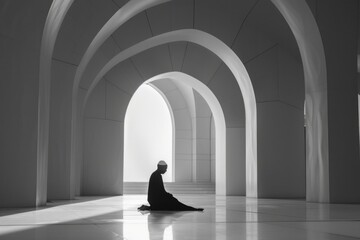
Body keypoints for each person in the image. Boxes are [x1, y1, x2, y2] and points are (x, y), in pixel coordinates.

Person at [138, 160, 203, 211]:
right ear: (161, 167)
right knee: (173, 201)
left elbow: (159, 191)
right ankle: (192, 209)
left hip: (153, 200)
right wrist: (168, 195)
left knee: (173, 201)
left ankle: (192, 209)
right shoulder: (157, 176)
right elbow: (161, 192)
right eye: (165, 168)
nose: (166, 170)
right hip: (156, 201)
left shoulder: (155, 174)